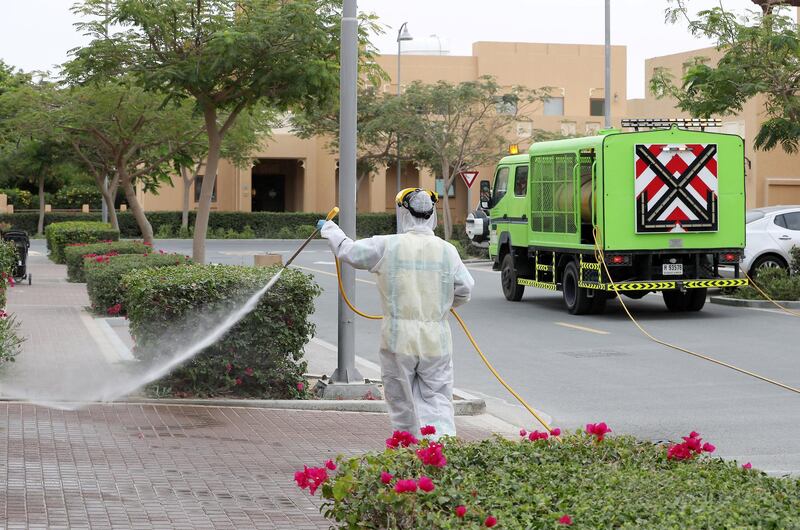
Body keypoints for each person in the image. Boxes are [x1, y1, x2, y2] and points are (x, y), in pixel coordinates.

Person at [318, 188, 475, 438]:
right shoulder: (448, 250)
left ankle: (407, 457)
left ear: (403, 213)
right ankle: (439, 455)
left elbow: (349, 252)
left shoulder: (387, 245)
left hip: (398, 340)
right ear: (432, 214)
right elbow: (465, 289)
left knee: (403, 404)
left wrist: (330, 230)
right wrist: (441, 305)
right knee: (438, 402)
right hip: (436, 341)